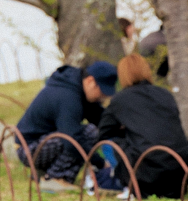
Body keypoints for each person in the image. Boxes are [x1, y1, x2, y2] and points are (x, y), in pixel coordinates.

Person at [98, 54, 188, 199]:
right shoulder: (166, 94)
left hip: (145, 169)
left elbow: (103, 133)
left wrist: (124, 129)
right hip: (179, 167)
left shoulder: (120, 100)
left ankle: (128, 184)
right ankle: (171, 187)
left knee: (108, 143)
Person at [15, 62, 117, 193]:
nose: (103, 97)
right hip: (29, 149)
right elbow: (71, 140)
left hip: (43, 143)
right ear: (90, 81)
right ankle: (55, 178)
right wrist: (100, 163)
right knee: (87, 134)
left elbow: (101, 120)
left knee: (85, 133)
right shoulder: (68, 97)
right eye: (102, 91)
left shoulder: (77, 89)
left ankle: (46, 173)